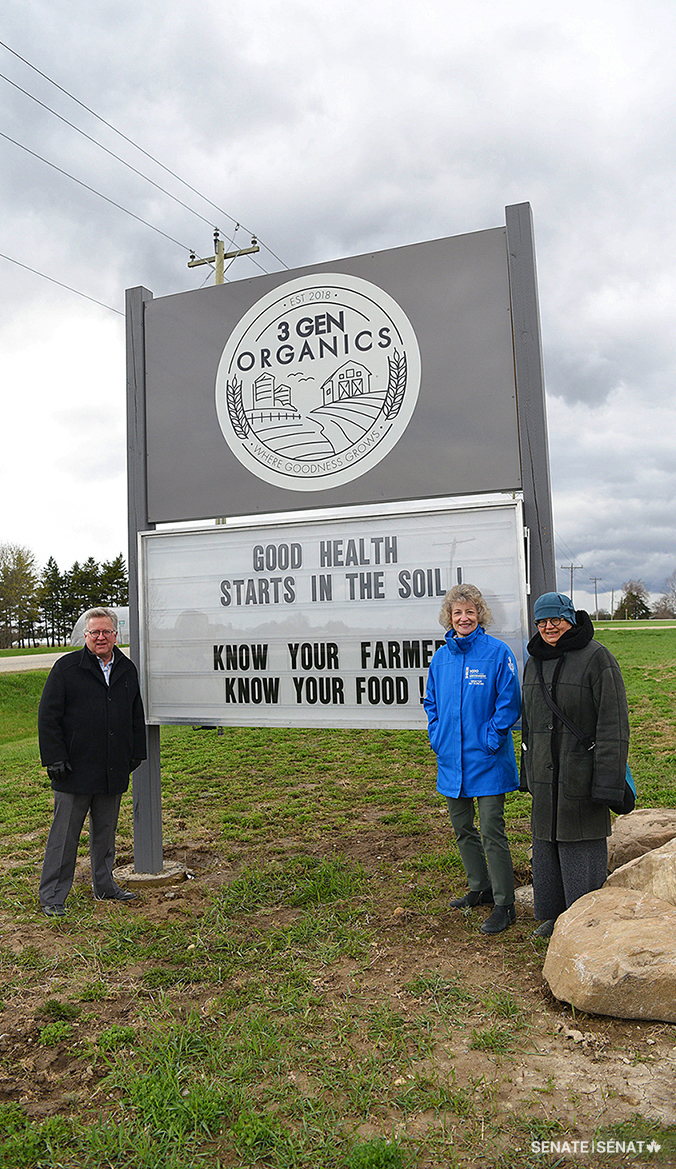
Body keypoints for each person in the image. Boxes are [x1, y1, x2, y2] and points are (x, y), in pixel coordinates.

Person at [520, 592, 629, 938]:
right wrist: (529, 774)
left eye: (556, 619)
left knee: (580, 844)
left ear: (570, 618)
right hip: (544, 772)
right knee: (547, 844)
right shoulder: (533, 660)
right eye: (542, 621)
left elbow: (614, 724)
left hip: (582, 771)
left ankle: (584, 920)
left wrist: (608, 781)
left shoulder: (597, 658)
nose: (549, 627)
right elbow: (530, 722)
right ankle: (553, 915)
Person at [424, 584, 521, 934]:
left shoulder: (497, 653)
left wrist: (491, 739)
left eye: (470, 612)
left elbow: (509, 702)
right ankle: (479, 887)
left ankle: (504, 903)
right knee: (463, 828)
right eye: (457, 613)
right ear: (449, 618)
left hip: (488, 759)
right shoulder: (441, 657)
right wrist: (438, 736)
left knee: (492, 829)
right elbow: (431, 701)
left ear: (480, 615)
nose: (463, 618)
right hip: (452, 759)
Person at [38, 607, 147, 917]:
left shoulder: (126, 669)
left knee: (105, 834)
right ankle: (53, 896)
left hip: (112, 768)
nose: (101, 637)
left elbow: (134, 714)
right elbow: (48, 717)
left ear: (115, 635)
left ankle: (105, 885)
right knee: (64, 838)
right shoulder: (66, 668)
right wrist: (54, 757)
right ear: (85, 636)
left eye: (106, 632)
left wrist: (136, 751)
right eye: (94, 632)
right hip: (73, 770)